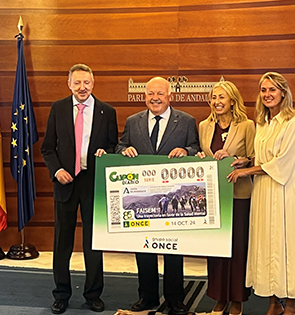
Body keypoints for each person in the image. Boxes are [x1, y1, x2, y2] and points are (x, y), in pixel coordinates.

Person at [115, 76, 200, 315]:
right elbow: (120, 147)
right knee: (144, 247)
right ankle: (147, 296)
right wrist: (125, 150)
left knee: (173, 249)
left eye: (160, 94)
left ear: (169, 96)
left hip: (172, 200)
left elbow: (196, 148)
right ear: (145, 97)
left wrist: (186, 150)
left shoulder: (185, 121)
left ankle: (175, 299)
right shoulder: (133, 122)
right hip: (144, 199)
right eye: (151, 94)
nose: (155, 98)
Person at [41, 64, 118, 314]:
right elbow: (47, 148)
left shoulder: (108, 111)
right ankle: (61, 294)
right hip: (65, 181)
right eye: (77, 83)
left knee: (92, 243)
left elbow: (114, 147)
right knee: (62, 241)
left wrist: (106, 154)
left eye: (86, 83)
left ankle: (93, 294)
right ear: (69, 84)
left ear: (93, 83)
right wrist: (56, 171)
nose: (82, 88)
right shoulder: (58, 108)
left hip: (92, 183)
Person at [228, 72, 295, 315]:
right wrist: (244, 161)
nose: (267, 94)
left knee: (285, 244)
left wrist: (248, 171)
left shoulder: (293, 122)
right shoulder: (261, 122)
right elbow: (261, 157)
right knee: (266, 244)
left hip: (282, 190)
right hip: (262, 190)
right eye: (263, 90)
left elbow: (283, 162)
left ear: (283, 92)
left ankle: (290, 304)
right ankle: (274, 301)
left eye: (272, 89)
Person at [197, 80, 255, 315]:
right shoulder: (204, 126)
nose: (217, 101)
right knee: (216, 249)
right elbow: (201, 153)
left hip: (239, 194)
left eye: (222, 97)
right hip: (213, 197)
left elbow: (254, 157)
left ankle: (237, 300)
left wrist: (239, 159)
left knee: (238, 247)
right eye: (214, 97)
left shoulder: (247, 125)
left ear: (232, 100)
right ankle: (219, 298)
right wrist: (201, 156)